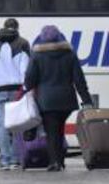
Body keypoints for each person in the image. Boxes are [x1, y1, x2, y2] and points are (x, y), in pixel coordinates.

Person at [24, 25, 93, 172]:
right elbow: (79, 80)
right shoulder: (70, 54)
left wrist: (28, 88)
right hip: (67, 100)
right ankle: (60, 160)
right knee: (59, 129)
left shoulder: (37, 56)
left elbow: (29, 80)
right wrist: (87, 100)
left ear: (42, 38)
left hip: (46, 100)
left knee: (52, 132)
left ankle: (55, 162)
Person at [0, 18, 30, 170]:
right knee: (16, 124)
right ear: (17, 28)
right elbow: (25, 69)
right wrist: (25, 86)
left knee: (2, 124)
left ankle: (4, 161)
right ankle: (15, 160)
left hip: (1, 89)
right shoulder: (22, 43)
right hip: (17, 89)